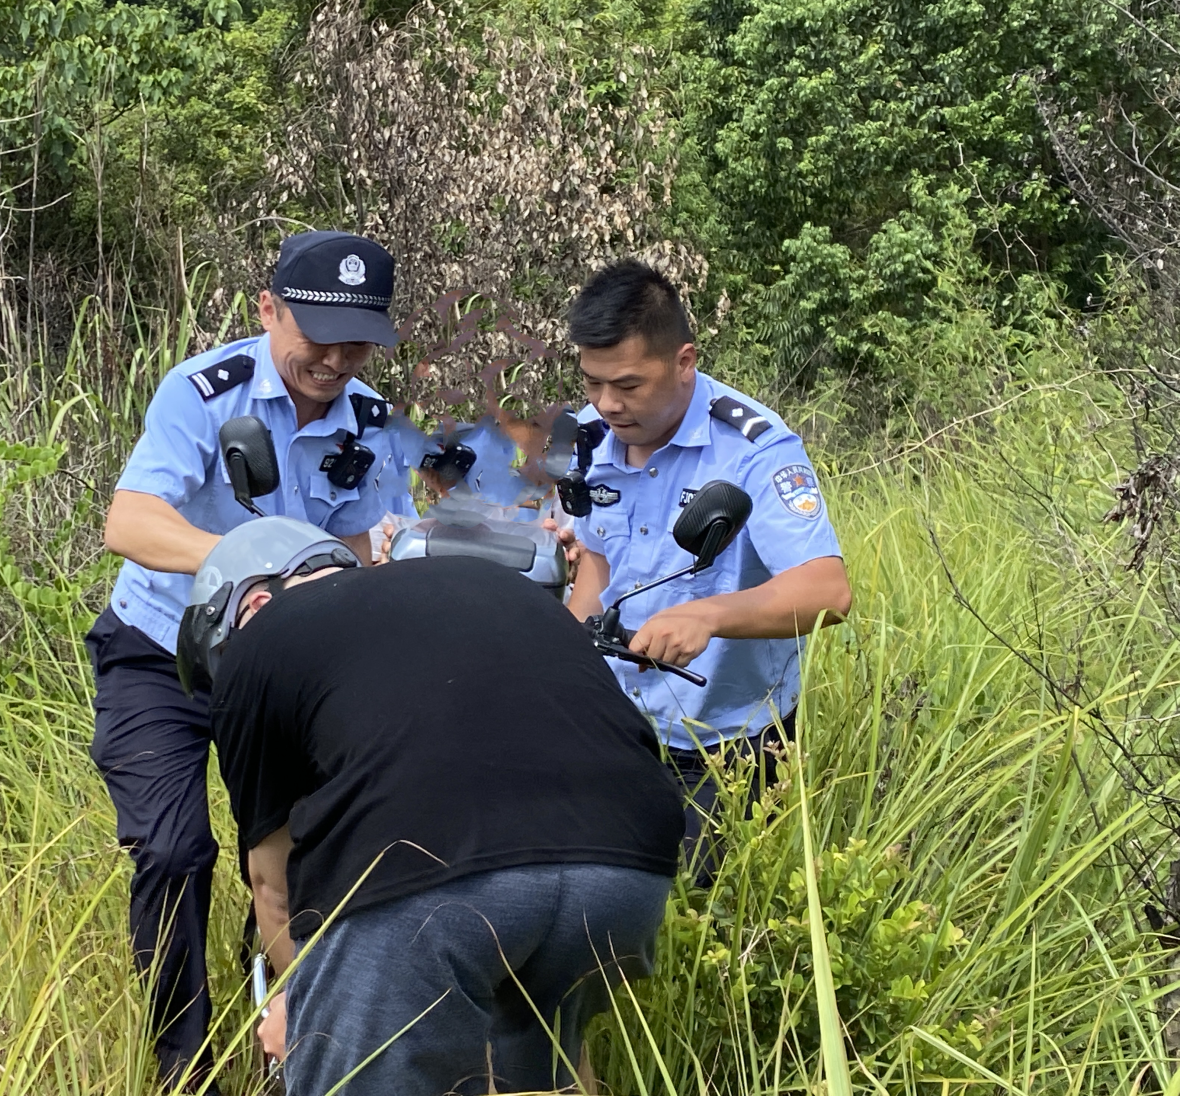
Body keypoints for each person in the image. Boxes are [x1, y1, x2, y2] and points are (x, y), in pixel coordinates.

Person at [187, 518, 688, 1096]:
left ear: (248, 604)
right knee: (545, 1069)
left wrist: (298, 1006)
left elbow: (273, 888)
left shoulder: (262, 638)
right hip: (627, 865)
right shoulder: (489, 585)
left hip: (429, 875)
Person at [86, 231, 413, 1091]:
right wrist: (252, 563)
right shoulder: (202, 393)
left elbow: (374, 545)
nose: (335, 359)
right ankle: (180, 1063)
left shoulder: (373, 424)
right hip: (164, 650)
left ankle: (283, 1031)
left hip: (289, 669)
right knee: (172, 851)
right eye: (317, 335)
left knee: (303, 853)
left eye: (357, 342)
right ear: (268, 310)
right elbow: (130, 521)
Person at [560, 258, 853, 882]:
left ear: (684, 361)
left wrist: (709, 615)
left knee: (707, 916)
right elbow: (597, 564)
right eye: (592, 383)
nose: (608, 403)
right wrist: (558, 659)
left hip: (726, 743)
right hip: (612, 721)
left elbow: (828, 590)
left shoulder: (755, 449)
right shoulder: (588, 435)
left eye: (630, 385)